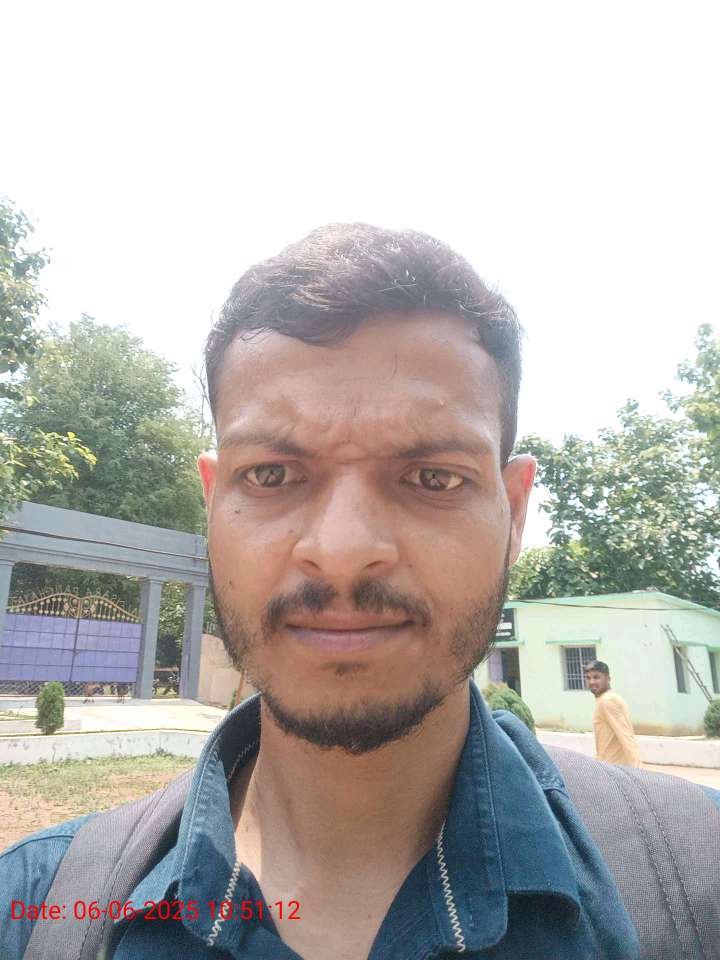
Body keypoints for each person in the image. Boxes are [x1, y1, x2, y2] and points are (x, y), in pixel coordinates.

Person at [1, 223, 719, 960]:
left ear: (513, 514)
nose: (341, 553)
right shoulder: (32, 912)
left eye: (433, 477)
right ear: (213, 505)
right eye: (271, 475)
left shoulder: (699, 884)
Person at [584, 660, 642, 767]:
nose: (592, 682)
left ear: (608, 679)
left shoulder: (607, 701)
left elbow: (626, 736)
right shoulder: (609, 698)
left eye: (596, 677)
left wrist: (638, 771)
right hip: (606, 766)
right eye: (588, 678)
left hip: (613, 768)